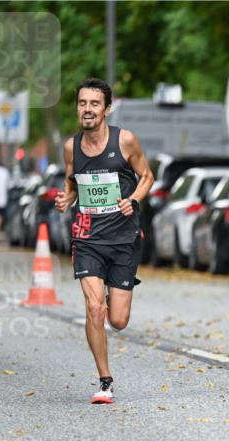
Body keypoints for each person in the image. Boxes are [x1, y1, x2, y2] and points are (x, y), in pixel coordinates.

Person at [55, 78, 154, 404]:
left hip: (124, 238)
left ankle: (114, 295)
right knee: (95, 308)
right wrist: (66, 199)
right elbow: (72, 182)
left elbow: (147, 176)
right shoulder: (71, 146)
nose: (87, 109)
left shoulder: (125, 140)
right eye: (82, 103)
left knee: (118, 320)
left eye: (94, 104)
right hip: (87, 237)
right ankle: (104, 380)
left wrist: (134, 200)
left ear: (106, 108)